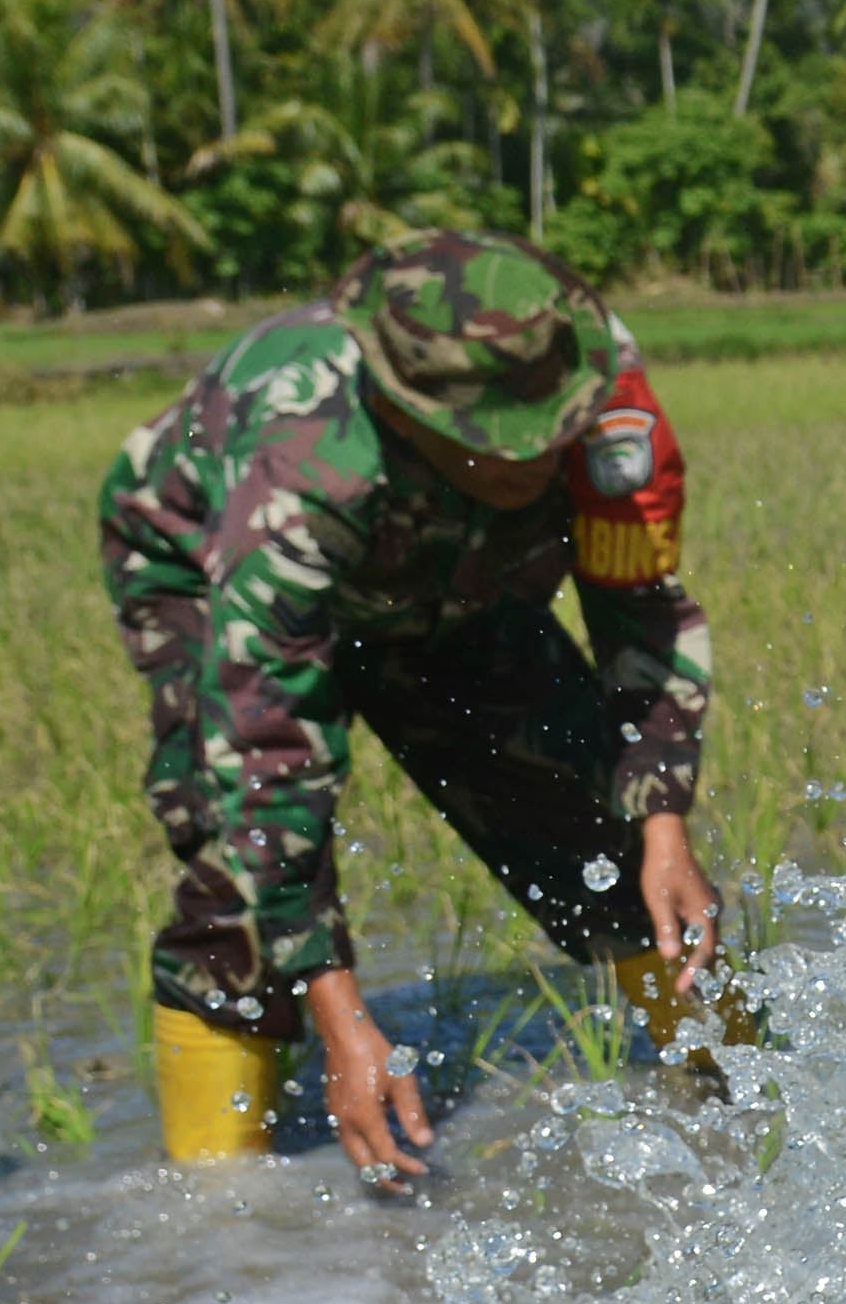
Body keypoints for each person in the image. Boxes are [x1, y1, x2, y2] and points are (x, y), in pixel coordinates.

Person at [100, 231, 719, 1185]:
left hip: (450, 576)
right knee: (238, 883)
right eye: (494, 448)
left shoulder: (595, 393)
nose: (528, 465)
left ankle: (740, 1102)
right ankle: (222, 1222)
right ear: (403, 413)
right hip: (206, 565)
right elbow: (269, 752)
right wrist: (345, 1022)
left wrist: (664, 825)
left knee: (604, 834)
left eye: (540, 440)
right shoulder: (303, 467)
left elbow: (640, 607)